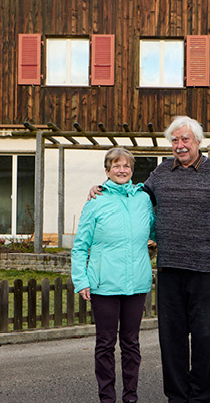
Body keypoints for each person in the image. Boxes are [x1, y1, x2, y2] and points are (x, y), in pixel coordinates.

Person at [89, 116, 210, 403]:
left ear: (197, 141)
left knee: (207, 339)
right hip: (170, 268)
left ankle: (201, 397)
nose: (180, 145)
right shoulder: (160, 173)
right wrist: (102, 188)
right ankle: (177, 397)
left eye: (185, 139)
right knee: (171, 341)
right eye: (175, 140)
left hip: (207, 269)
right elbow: (133, 194)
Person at [72, 148, 156, 403]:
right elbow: (80, 246)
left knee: (131, 344)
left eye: (126, 166)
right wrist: (81, 280)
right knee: (106, 344)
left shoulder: (143, 199)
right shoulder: (96, 201)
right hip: (103, 285)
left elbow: (156, 231)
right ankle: (106, 398)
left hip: (136, 284)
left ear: (132, 170)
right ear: (107, 171)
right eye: (116, 166)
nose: (122, 170)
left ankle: (130, 397)